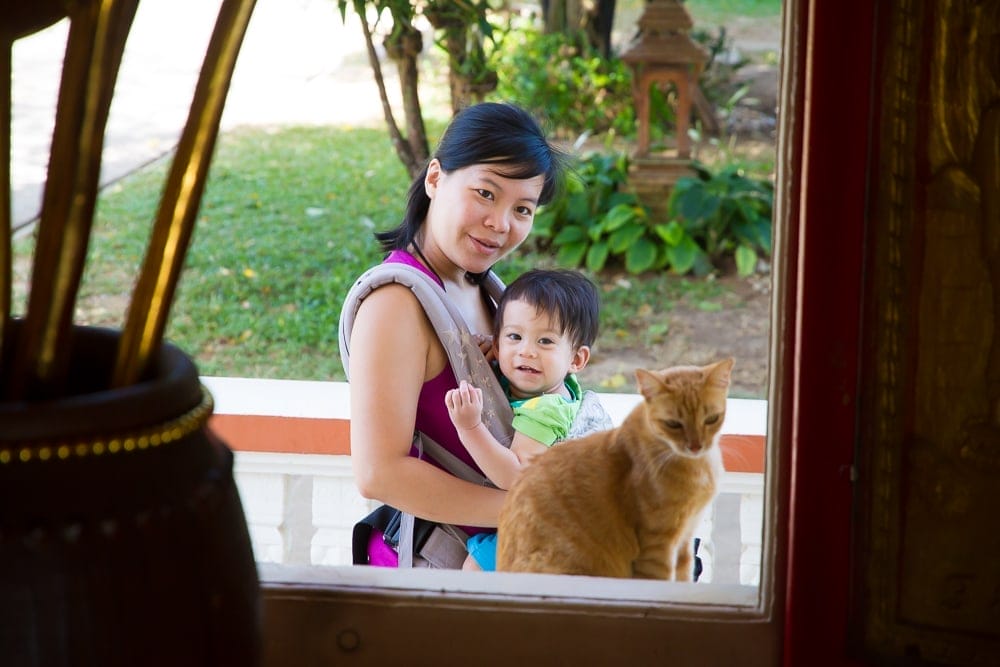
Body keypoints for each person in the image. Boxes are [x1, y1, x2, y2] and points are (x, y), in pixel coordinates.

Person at [343, 102, 567, 568]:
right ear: (435, 178)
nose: (501, 223)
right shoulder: (395, 304)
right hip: (438, 575)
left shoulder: (488, 292)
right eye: (485, 193)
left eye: (522, 209)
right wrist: (539, 511)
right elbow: (379, 472)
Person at [445, 268, 603, 571]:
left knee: (475, 570)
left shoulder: (546, 409)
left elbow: (514, 477)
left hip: (555, 530)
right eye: (515, 337)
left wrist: (470, 427)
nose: (526, 352)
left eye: (545, 341)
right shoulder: (547, 383)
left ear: (576, 360)